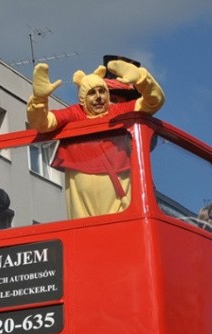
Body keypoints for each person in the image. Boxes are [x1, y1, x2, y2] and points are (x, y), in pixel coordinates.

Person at [26, 59, 165, 218]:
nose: (98, 97)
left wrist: (142, 79)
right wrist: (39, 100)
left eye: (102, 91)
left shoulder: (118, 111)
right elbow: (42, 124)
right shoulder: (75, 114)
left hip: (120, 202)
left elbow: (154, 102)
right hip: (82, 204)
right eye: (92, 93)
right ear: (83, 98)